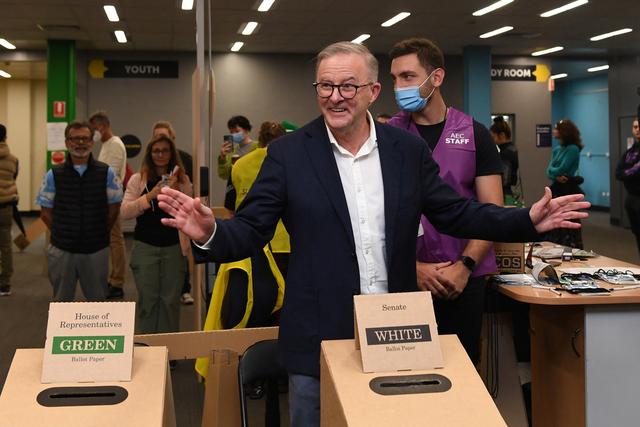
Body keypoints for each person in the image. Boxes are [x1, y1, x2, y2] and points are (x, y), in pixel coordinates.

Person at [157, 42, 589, 426]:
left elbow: (455, 213)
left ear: (372, 92)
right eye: (325, 87)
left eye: (347, 86)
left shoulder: (405, 151)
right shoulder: (289, 154)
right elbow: (252, 230)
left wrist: (526, 220)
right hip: (318, 333)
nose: (335, 97)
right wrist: (211, 231)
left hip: (396, 328)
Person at [388, 37, 504, 364]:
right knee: (404, 372)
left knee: (461, 370)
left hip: (463, 277)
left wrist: (464, 267)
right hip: (405, 278)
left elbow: (490, 211)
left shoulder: (473, 133)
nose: (398, 87)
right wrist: (411, 269)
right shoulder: (386, 137)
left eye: (408, 77)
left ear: (435, 78)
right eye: (394, 78)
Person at [36, 121, 123, 302]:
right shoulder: (53, 175)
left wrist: (99, 232)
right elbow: (45, 212)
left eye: (85, 138)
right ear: (67, 143)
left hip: (96, 249)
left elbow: (114, 208)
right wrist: (62, 233)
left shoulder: (106, 173)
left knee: (98, 301)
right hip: (62, 250)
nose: (80, 143)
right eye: (75, 139)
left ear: (92, 142)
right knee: (61, 302)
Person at [121, 135, 192, 334]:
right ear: (149, 154)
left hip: (174, 248)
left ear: (172, 155)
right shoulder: (137, 180)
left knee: (170, 302)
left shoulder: (183, 180)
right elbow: (125, 212)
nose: (160, 155)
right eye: (156, 151)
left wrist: (178, 191)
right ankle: (147, 348)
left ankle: (170, 352)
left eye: (165, 150)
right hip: (145, 247)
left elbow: (191, 212)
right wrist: (150, 196)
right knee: (148, 301)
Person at [231, 121, 290, 275]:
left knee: (258, 295)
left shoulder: (239, 165)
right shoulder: (290, 161)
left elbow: (231, 203)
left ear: (260, 141)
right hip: (286, 245)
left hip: (251, 243)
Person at [152, 120, 194, 305]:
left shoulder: (184, 159)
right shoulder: (150, 163)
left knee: (181, 254)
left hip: (179, 215)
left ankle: (185, 289)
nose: (161, 140)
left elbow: (192, 188)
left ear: (172, 138)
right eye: (157, 137)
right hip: (154, 218)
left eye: (164, 136)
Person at [89, 111, 127, 299]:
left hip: (111, 201)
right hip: (101, 201)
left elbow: (109, 175)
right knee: (109, 241)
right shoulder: (106, 145)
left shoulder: (115, 145)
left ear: (102, 126)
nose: (92, 134)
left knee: (115, 241)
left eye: (94, 129)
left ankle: (117, 281)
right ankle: (111, 279)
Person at [546, 118, 585, 248]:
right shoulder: (557, 149)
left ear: (564, 131)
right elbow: (549, 171)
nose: (554, 131)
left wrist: (554, 172)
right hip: (557, 188)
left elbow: (561, 168)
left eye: (557, 128)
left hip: (568, 189)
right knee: (556, 220)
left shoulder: (573, 149)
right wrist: (555, 174)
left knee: (568, 220)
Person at [616, 118, 640, 254]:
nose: (637, 129)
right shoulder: (630, 152)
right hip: (632, 199)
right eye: (635, 126)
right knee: (637, 235)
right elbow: (618, 173)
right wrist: (633, 171)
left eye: (639, 126)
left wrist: (628, 172)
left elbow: (625, 172)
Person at [0, 124, 18, 296]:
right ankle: (5, 284)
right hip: (5, 207)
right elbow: (13, 178)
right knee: (6, 246)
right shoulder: (13, 159)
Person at [217, 115, 258, 180]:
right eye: (231, 132)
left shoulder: (258, 147)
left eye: (237, 131)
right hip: (236, 188)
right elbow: (224, 176)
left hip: (253, 187)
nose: (234, 135)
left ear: (246, 129)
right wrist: (222, 157)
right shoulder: (232, 151)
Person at [491, 116, 521, 205]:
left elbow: (504, 180)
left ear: (502, 135)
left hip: (506, 194)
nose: (492, 141)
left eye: (493, 137)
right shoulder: (513, 148)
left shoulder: (506, 152)